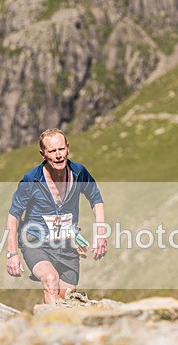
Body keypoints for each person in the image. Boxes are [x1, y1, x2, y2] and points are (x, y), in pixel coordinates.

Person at [6, 128, 107, 304]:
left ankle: (49, 322)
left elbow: (96, 199)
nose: (58, 155)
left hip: (67, 244)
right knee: (50, 280)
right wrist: (12, 254)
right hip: (36, 241)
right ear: (43, 154)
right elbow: (13, 216)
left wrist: (100, 233)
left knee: (67, 295)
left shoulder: (79, 173)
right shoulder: (31, 180)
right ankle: (50, 329)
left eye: (61, 149)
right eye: (52, 151)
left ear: (68, 148)